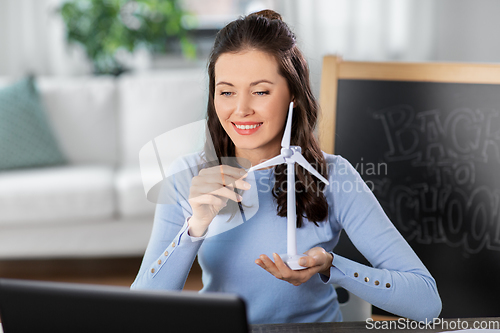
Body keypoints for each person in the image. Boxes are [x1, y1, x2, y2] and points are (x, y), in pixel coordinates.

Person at [131, 9, 441, 324]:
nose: (241, 110)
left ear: (293, 94)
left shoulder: (333, 175)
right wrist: (194, 227)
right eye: (226, 92)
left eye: (260, 91)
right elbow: (139, 312)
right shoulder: (190, 176)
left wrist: (332, 267)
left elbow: (426, 302)